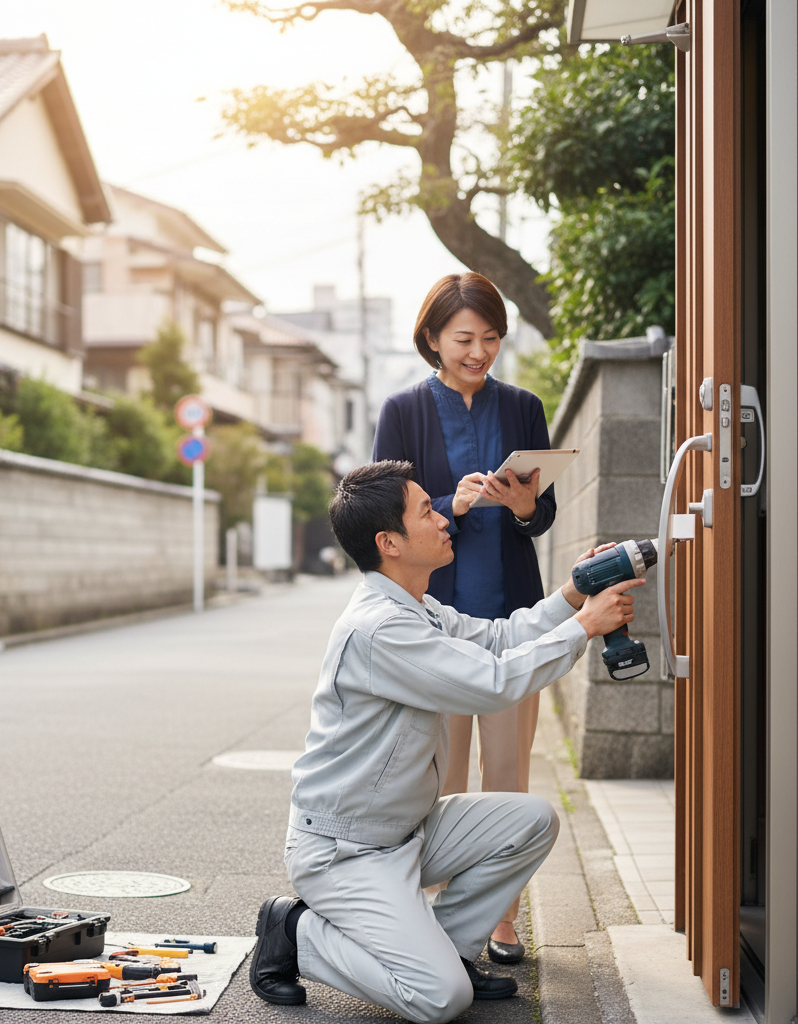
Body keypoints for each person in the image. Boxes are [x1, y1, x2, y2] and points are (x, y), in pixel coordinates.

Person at [249, 460, 642, 1022]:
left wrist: (573, 594)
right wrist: (584, 626)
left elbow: (500, 637)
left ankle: (449, 953)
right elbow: (492, 683)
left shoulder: (419, 608)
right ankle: (297, 932)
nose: (443, 519)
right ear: (389, 543)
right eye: (426, 512)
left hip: (406, 831)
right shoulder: (381, 629)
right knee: (438, 1000)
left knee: (531, 820)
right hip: (346, 852)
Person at [372, 271, 553, 962]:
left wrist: (522, 505)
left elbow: (545, 512)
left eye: (491, 338)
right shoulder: (402, 410)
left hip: (510, 621)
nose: (480, 351)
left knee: (507, 777)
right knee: (438, 781)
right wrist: (450, 504)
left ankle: (500, 919)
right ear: (433, 340)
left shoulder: (524, 406)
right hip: (433, 624)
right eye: (465, 339)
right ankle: (436, 919)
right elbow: (379, 513)